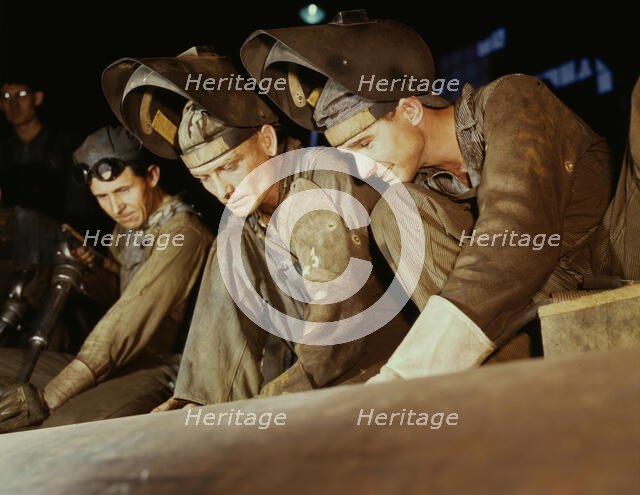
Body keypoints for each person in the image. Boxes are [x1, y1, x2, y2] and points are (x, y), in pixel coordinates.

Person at [240, 10, 618, 381]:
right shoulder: (415, 190)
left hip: (614, 264)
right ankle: (493, 391)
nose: (362, 167)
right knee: (395, 211)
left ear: (410, 109)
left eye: (366, 143)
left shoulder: (513, 98)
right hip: (536, 309)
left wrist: (408, 373)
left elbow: (513, 226)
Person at [100, 47, 408, 410]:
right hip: (318, 376)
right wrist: (197, 402)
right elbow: (225, 326)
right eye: (204, 178)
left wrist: (268, 402)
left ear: (267, 140)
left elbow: (337, 320)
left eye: (229, 166)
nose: (220, 189)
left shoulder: (320, 182)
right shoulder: (246, 224)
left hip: (387, 366)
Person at [0, 126, 212, 431]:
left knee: (64, 424)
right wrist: (93, 266)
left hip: (169, 365)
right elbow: (120, 291)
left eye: (123, 190)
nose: (116, 207)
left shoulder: (182, 233)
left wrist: (48, 398)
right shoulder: (128, 226)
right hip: (120, 357)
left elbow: (127, 321)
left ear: (151, 176)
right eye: (102, 196)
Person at [0, 79, 97, 228]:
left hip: (62, 234)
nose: (13, 103)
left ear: (37, 98)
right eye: (6, 97)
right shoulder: (5, 152)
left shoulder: (67, 144)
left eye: (22, 94)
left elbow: (79, 201)